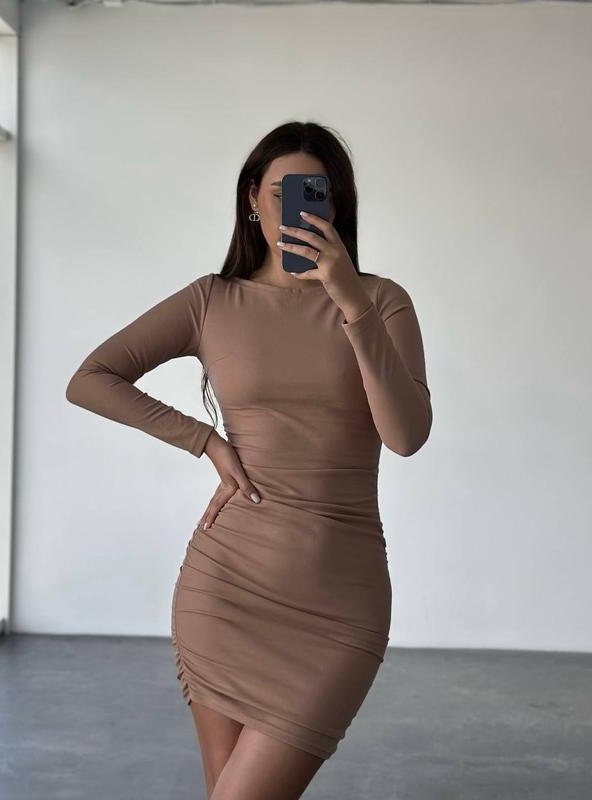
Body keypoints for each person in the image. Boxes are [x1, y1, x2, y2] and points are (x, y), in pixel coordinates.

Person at [66, 120, 433, 800]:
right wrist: (204, 440)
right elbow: (91, 378)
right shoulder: (213, 300)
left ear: (337, 204)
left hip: (339, 598)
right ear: (253, 200)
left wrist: (350, 302)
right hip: (226, 588)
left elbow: (406, 435)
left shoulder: (381, 300)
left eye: (318, 192)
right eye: (283, 191)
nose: (301, 207)